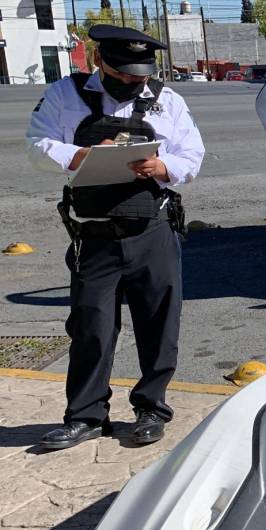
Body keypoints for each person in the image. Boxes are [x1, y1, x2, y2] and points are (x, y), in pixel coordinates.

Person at [26, 24, 204, 449]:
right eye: (122, 72)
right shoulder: (64, 95)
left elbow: (192, 155)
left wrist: (164, 169)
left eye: (139, 73)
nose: (131, 80)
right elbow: (36, 146)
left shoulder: (168, 100)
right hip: (95, 235)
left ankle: (151, 409)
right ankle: (86, 416)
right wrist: (79, 155)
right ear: (98, 60)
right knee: (92, 327)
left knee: (159, 324)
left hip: (152, 229)